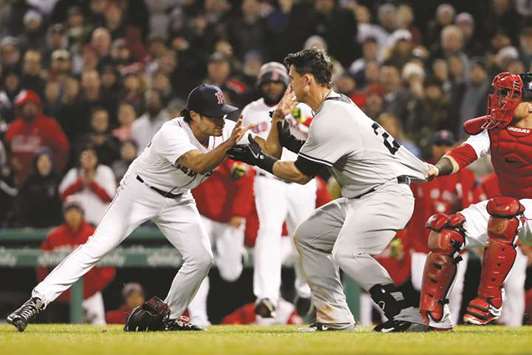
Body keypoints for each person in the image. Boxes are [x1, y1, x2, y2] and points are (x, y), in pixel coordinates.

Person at [7, 84, 246, 332]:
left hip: (178, 198)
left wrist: (277, 124)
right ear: (194, 115)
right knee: (97, 247)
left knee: (201, 258)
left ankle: (168, 317)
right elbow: (197, 163)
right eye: (214, 114)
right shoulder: (171, 132)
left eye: (222, 113)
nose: (221, 120)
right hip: (140, 192)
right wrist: (229, 145)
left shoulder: (224, 130)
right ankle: (36, 301)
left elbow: (263, 147)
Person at [229, 48, 428, 332]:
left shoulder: (331, 116)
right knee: (308, 236)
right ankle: (334, 317)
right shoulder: (334, 107)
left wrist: (254, 157)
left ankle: (405, 313)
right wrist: (281, 131)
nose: (290, 85)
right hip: (363, 196)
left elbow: (300, 175)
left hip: (385, 195)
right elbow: (315, 151)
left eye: (293, 78)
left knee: (348, 251)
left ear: (307, 80)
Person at [419, 72, 532, 330]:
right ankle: (435, 315)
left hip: (523, 208)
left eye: (510, 97)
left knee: (504, 210)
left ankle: (489, 298)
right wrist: (437, 169)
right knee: (446, 231)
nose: (500, 102)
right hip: (511, 208)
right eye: (501, 95)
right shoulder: (495, 129)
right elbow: (465, 152)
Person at [240, 62, 316, 319]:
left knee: (304, 237)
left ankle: (305, 289)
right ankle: (266, 296)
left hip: (301, 178)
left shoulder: (303, 107)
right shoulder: (251, 111)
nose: (272, 85)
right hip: (268, 178)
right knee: (269, 231)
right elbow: (246, 145)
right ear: (260, 85)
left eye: (277, 81)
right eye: (267, 82)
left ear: (286, 84)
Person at [405, 130, 478, 326]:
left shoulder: (465, 175)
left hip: (453, 244)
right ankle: (431, 318)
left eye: (447, 145)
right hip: (421, 242)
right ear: (433, 147)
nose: (443, 149)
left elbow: (469, 208)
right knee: (420, 284)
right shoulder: (420, 172)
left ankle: (449, 321)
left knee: (455, 288)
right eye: (439, 144)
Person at [188, 159, 253, 327]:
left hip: (229, 218)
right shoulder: (198, 150)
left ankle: (225, 255)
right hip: (202, 214)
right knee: (197, 264)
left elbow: (246, 181)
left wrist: (239, 212)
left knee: (231, 273)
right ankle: (197, 316)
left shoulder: (235, 156)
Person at [36, 200, 116, 324]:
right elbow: (41, 264)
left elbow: (109, 265)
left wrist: (93, 287)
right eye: (69, 212)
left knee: (99, 329)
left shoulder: (94, 234)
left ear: (82, 214)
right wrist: (51, 287)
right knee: (58, 332)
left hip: (90, 295)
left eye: (76, 211)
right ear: (64, 215)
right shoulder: (54, 236)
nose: (73, 215)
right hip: (61, 296)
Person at [5, 90, 69, 185]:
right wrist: (11, 162)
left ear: (38, 106)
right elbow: (6, 151)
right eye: (26, 105)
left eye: (33, 105)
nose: (30, 108)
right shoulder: (13, 128)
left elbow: (63, 149)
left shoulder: (49, 125)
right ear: (20, 108)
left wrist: (52, 169)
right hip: (18, 181)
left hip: (43, 182)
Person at [59, 146, 116, 226]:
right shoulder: (74, 172)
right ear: (80, 158)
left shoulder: (104, 171)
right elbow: (62, 196)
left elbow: (110, 198)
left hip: (100, 223)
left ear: (96, 158)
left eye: (91, 157)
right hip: (78, 224)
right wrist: (79, 184)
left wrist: (93, 184)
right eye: (85, 156)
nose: (88, 160)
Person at [14, 149, 63, 228]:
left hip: (53, 226)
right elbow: (21, 204)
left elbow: (61, 204)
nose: (44, 164)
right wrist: (25, 225)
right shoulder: (29, 181)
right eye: (41, 161)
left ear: (52, 163)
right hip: (31, 227)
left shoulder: (58, 180)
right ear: (36, 163)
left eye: (47, 161)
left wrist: (57, 225)